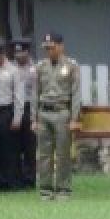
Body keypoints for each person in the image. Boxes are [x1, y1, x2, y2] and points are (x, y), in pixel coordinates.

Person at [33, 32, 80, 200]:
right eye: (47, 48)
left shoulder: (72, 66)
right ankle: (45, 190)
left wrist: (75, 119)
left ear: (61, 46)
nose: (49, 51)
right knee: (44, 155)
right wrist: (34, 118)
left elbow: (76, 94)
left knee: (63, 154)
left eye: (52, 47)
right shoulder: (40, 67)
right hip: (44, 112)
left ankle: (63, 190)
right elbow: (35, 93)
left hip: (62, 112)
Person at [0, 40, 24, 191]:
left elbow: (18, 96)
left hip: (6, 112)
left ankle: (12, 181)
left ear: (1, 55)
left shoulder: (13, 71)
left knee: (9, 150)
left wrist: (17, 118)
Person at [12, 39, 37, 191]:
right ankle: (16, 178)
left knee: (29, 146)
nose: (19, 55)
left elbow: (37, 92)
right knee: (14, 145)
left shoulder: (35, 69)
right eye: (16, 52)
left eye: (21, 52)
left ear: (28, 52)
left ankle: (29, 179)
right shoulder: (10, 68)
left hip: (29, 108)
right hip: (13, 108)